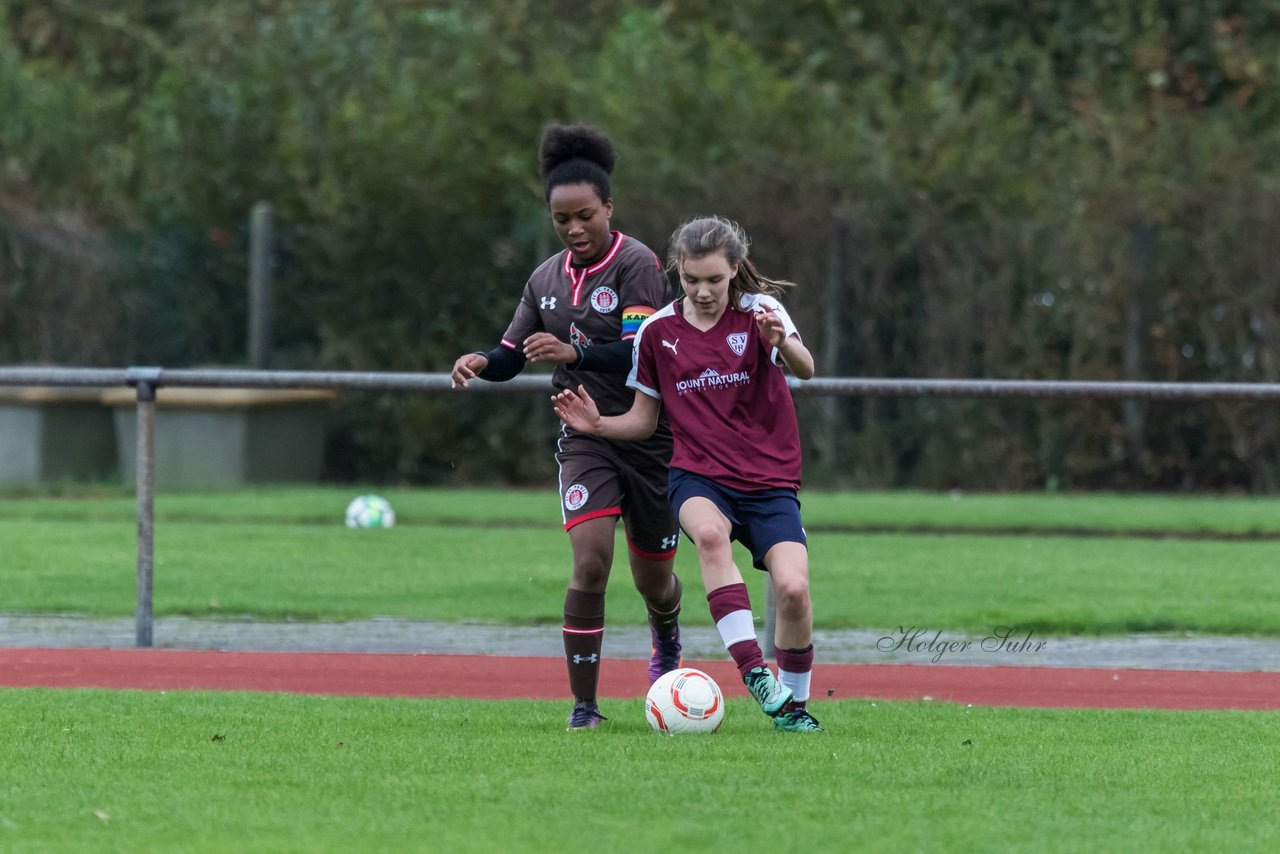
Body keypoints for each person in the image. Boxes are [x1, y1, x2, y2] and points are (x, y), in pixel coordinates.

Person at [450, 123, 684, 731]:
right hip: (582, 434)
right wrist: (483, 361)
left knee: (655, 582)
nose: (575, 229)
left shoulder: (638, 263)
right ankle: (585, 707)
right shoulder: (544, 279)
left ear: (609, 207)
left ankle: (666, 631)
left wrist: (573, 353)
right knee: (589, 564)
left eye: (585, 215)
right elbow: (514, 354)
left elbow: (639, 351)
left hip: (644, 432)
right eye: (562, 220)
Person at [552, 215, 823, 732]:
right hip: (698, 477)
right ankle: (754, 673)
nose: (703, 291)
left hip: (769, 481)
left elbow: (806, 368)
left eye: (714, 280)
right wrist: (598, 424)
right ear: (677, 271)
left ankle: (795, 709)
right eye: (691, 279)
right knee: (708, 534)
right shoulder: (658, 333)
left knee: (793, 591)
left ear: (734, 271)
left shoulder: (761, 313)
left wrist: (781, 342)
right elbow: (643, 420)